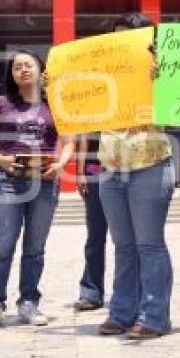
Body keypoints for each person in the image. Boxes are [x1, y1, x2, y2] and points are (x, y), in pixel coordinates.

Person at [0, 50, 74, 331]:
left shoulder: (55, 104)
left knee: (35, 247)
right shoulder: (1, 103)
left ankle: (29, 301)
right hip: (10, 180)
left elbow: (69, 142)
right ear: (12, 74)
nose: (22, 70)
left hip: (44, 180)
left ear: (40, 70)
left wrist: (61, 165)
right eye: (17, 67)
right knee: (3, 245)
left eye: (28, 65)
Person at [97, 12, 176, 340]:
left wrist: (164, 79)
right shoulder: (104, 74)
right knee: (123, 246)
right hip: (111, 166)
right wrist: (55, 85)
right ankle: (121, 312)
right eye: (117, 38)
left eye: (129, 39)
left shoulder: (166, 70)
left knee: (149, 244)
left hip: (150, 164)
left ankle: (154, 316)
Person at [73, 132, 108, 311]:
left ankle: (131, 291)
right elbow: (84, 135)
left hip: (126, 170)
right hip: (95, 172)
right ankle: (91, 292)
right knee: (95, 236)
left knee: (129, 240)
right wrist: (80, 173)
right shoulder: (93, 106)